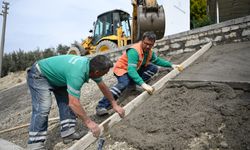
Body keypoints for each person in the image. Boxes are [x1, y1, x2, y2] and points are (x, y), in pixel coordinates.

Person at [26, 54, 125, 149]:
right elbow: (74, 103)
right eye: (106, 72)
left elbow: (103, 87)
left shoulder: (92, 66)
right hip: (40, 75)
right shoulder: (77, 74)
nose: (107, 73)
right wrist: (89, 122)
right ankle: (35, 145)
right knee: (43, 107)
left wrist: (114, 104)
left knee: (67, 101)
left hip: (58, 77)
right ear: (97, 72)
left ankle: (68, 133)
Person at [96, 31, 182, 116]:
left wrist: (171, 65)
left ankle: (133, 85)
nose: (148, 46)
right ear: (142, 41)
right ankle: (102, 105)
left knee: (153, 68)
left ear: (153, 44)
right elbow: (131, 70)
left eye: (150, 45)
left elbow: (157, 61)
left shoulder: (149, 52)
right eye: (146, 43)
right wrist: (143, 84)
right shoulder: (134, 51)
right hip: (122, 69)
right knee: (123, 83)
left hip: (134, 69)